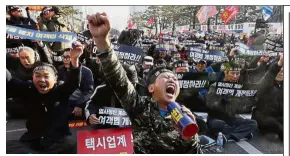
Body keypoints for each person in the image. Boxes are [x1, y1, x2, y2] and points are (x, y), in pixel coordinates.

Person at [86, 12, 202, 154]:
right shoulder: (140, 106)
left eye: (174, 78)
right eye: (165, 77)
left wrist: (190, 139)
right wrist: (102, 41)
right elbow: (118, 79)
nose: (172, 79)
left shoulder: (184, 115)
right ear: (151, 87)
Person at [6, 41, 83, 154]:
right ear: (32, 78)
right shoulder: (29, 88)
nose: (42, 80)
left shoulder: (61, 90)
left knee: (71, 144)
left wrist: (75, 60)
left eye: (46, 76)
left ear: (55, 79)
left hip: (58, 141)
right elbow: (10, 80)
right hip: (33, 140)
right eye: (38, 76)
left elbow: (73, 82)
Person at [206, 61, 257, 143]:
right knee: (218, 124)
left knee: (253, 123)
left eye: (237, 73)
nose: (235, 76)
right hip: (216, 118)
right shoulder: (215, 86)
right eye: (232, 73)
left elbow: (241, 110)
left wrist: (250, 103)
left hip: (231, 119)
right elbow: (209, 105)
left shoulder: (240, 88)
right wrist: (221, 101)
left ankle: (229, 136)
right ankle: (241, 133)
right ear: (226, 73)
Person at [252, 55, 283, 141]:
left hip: (278, 116)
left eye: (283, 71)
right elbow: (270, 74)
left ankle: (275, 132)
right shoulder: (265, 83)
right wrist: (279, 64)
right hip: (263, 116)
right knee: (272, 123)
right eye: (279, 71)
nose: (281, 73)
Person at [58, 50, 95, 119]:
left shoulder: (86, 71)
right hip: (64, 103)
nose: (65, 60)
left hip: (78, 104)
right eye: (64, 57)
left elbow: (88, 91)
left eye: (68, 57)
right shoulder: (60, 70)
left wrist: (79, 105)